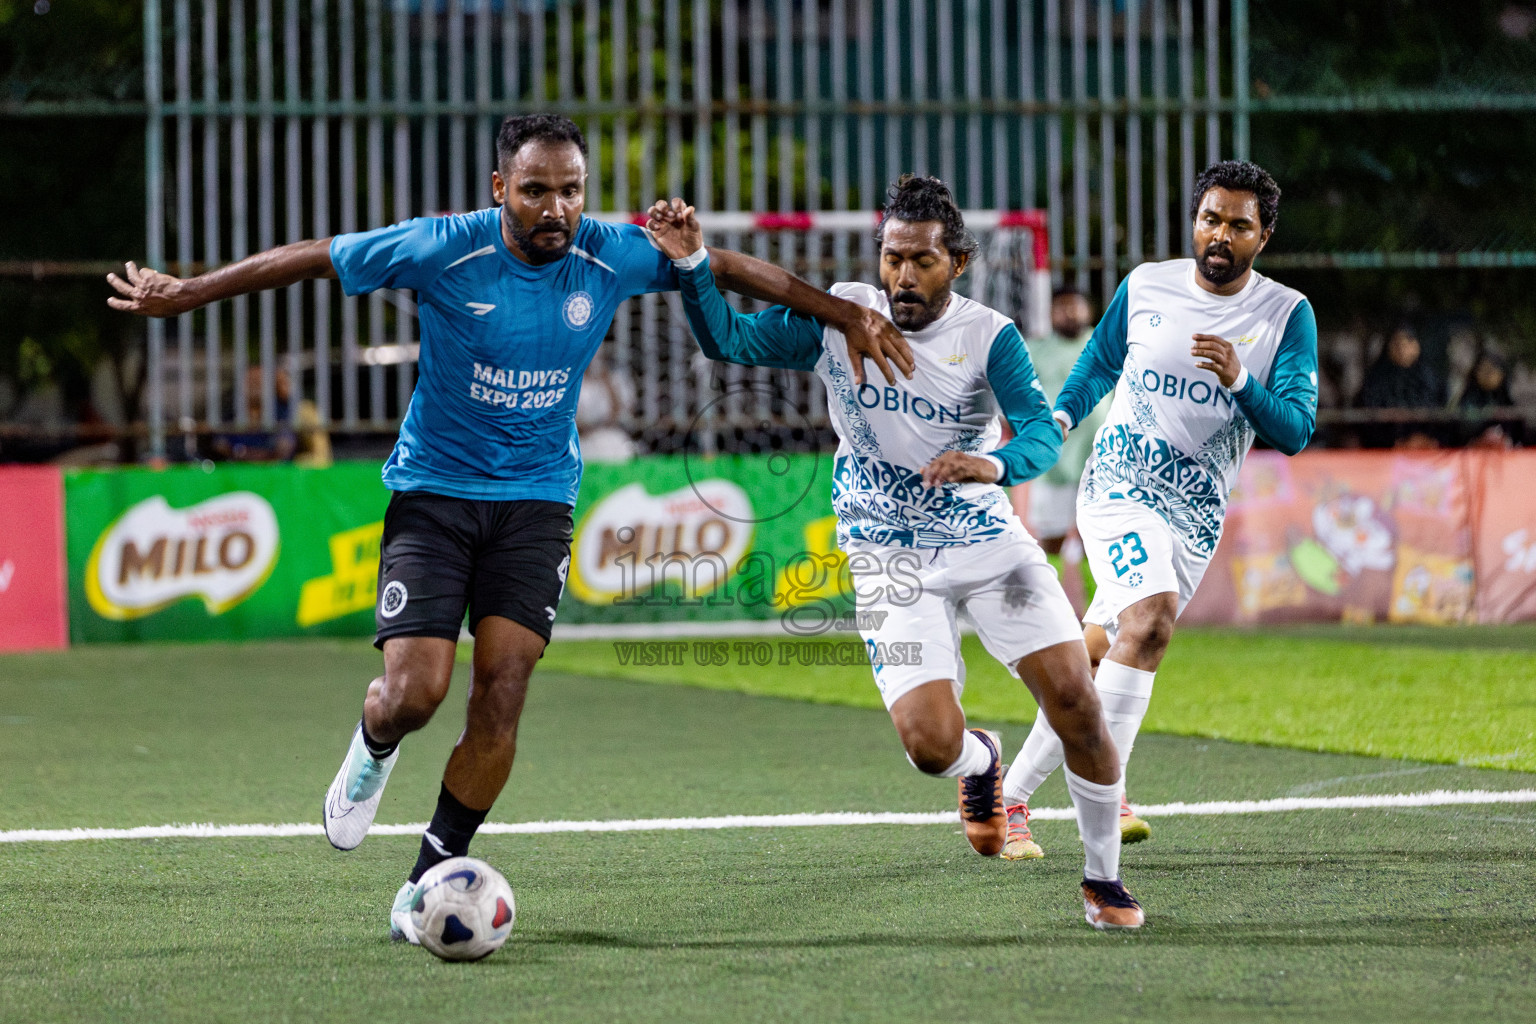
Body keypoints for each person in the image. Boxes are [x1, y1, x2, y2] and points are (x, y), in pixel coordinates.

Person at [107, 114, 912, 942]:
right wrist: (192, 292)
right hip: (434, 494)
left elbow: (732, 267)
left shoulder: (611, 251)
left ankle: (426, 878)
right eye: (536, 190)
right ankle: (373, 745)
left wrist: (843, 315)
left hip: (537, 504)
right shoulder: (441, 247)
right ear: (501, 190)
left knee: (503, 691)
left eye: (570, 189)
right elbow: (319, 255)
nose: (555, 207)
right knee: (414, 694)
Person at [649, 175, 1145, 930]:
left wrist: (997, 463)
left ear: (960, 263)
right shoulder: (843, 314)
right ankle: (982, 762)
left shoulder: (989, 336)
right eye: (893, 258)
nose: (903, 277)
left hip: (985, 542)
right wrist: (691, 269)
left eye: (922, 261)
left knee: (1077, 703)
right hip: (889, 555)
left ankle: (1103, 880)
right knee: (927, 746)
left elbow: (1042, 430)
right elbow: (729, 338)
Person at [999, 160, 1318, 861]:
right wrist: (1058, 417)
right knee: (1151, 615)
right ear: (1194, 220)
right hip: (1118, 487)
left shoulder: (1285, 315)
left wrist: (1240, 380)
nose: (1220, 234)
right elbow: (1099, 364)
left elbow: (1294, 430)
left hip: (1193, 520)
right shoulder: (1147, 284)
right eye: (1211, 218)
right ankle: (1107, 794)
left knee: (1098, 655)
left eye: (1240, 224)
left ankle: (1008, 797)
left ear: (1263, 235)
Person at [1025, 287, 1111, 614]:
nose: (1070, 314)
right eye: (1062, 309)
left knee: (1097, 534)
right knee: (1051, 537)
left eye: (1075, 308)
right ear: (1050, 314)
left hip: (1101, 457)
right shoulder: (1036, 350)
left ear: (1088, 310)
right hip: (1053, 457)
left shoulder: (1104, 345)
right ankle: (1052, 608)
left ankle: (1097, 607)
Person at [1355, 323, 1443, 447]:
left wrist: (1425, 439)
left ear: (1417, 346)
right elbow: (1368, 420)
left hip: (1427, 450)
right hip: (1385, 452)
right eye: (1397, 343)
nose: (1402, 348)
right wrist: (1395, 442)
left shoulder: (1431, 379)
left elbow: (1443, 415)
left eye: (1408, 342)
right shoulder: (1376, 380)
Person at [1458, 350, 1522, 447]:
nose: (1487, 375)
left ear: (1502, 375)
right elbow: (1464, 428)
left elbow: (1517, 432)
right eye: (1483, 370)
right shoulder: (1469, 398)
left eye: (1491, 370)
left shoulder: (1507, 398)